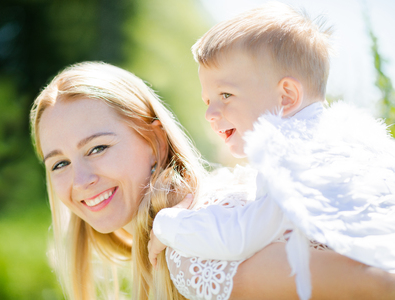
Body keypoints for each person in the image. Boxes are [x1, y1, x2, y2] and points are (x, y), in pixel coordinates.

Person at [30, 61, 395, 300]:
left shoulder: (192, 246)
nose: (80, 180)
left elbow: (377, 282)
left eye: (97, 149)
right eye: (59, 163)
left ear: (155, 141)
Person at [149, 2, 395, 300]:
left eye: (225, 95)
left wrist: (167, 224)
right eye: (207, 101)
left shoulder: (290, 153)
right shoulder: (354, 139)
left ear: (286, 96)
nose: (211, 114)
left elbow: (243, 237)